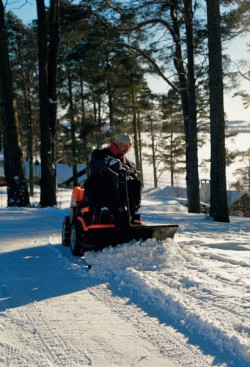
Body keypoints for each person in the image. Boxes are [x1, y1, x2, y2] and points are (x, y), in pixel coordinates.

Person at [84, 134, 143, 224]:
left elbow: (133, 175)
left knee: (136, 183)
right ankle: (102, 211)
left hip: (120, 193)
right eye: (125, 145)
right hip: (103, 191)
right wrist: (107, 162)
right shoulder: (100, 154)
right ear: (117, 143)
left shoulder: (128, 163)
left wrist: (129, 172)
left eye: (129, 146)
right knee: (93, 182)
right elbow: (94, 166)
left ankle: (130, 215)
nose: (127, 149)